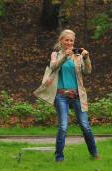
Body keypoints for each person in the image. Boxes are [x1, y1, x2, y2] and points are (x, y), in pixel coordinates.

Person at [36, 29, 99, 162]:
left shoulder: (78, 56)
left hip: (77, 95)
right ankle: (59, 157)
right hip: (61, 95)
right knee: (63, 127)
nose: (69, 43)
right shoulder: (55, 54)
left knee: (85, 125)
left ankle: (94, 154)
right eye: (67, 40)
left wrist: (87, 58)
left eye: (71, 41)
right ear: (61, 41)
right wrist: (65, 56)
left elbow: (88, 71)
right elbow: (53, 67)